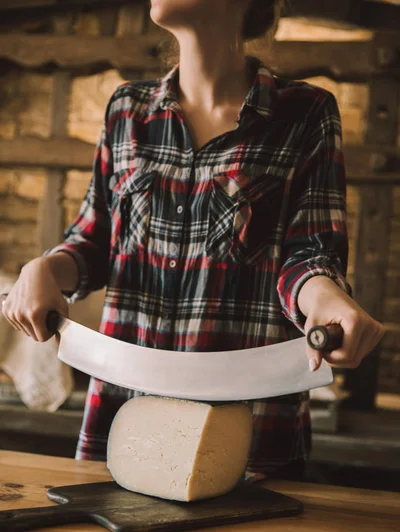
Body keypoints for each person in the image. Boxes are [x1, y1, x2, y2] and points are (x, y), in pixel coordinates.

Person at [2, 0, 384, 482]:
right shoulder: (126, 109)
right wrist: (43, 269)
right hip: (123, 417)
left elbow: (307, 254)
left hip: (247, 427)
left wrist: (327, 298)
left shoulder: (306, 113)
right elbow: (94, 243)